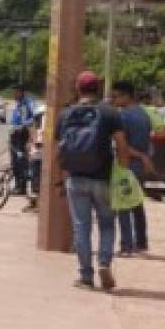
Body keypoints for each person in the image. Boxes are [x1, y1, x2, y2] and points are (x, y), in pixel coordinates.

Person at [57, 70, 132, 292]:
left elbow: (58, 150)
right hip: (103, 179)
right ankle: (104, 263)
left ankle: (86, 277)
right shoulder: (110, 113)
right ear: (97, 89)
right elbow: (122, 146)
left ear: (78, 89)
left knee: (81, 228)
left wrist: (62, 179)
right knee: (107, 224)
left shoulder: (65, 114)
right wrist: (123, 173)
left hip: (76, 179)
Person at [111, 80, 154, 254]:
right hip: (140, 166)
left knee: (123, 205)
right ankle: (141, 242)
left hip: (127, 164)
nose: (114, 100)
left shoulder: (123, 116)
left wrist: (137, 157)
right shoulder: (144, 114)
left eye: (116, 96)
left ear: (126, 96)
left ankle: (126, 245)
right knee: (137, 204)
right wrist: (145, 157)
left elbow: (123, 145)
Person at [8, 85, 36, 196]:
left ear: (21, 92)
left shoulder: (28, 103)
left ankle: (22, 187)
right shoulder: (18, 104)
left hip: (21, 135)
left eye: (16, 92)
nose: (14, 95)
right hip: (14, 134)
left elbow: (34, 117)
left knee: (21, 161)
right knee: (14, 161)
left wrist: (24, 125)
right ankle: (17, 185)